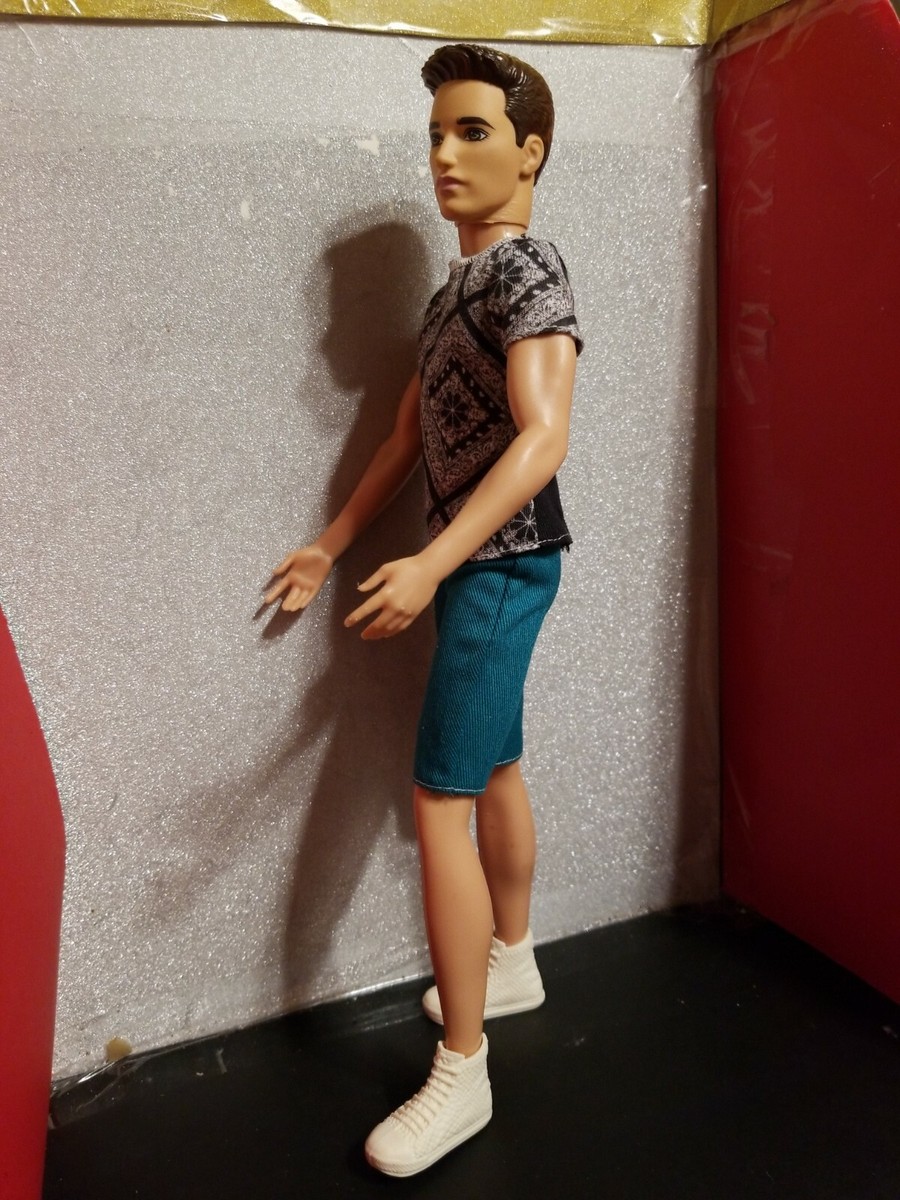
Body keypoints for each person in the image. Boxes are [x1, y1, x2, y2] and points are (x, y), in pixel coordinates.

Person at [264, 42, 582, 1177]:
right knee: (494, 765)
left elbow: (544, 439)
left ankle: (463, 1070)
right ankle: (515, 958)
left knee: (440, 798)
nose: (445, 154)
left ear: (529, 153)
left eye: (473, 132)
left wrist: (435, 563)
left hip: (500, 566)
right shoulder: (457, 291)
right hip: (480, 565)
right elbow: (408, 436)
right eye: (436, 134)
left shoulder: (530, 272)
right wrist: (332, 544)